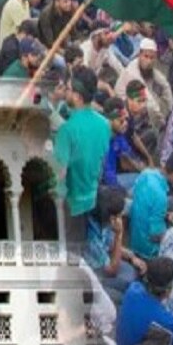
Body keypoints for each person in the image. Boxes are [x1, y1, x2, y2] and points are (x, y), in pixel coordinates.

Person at [52, 79, 110, 253]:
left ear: (77, 97)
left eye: (69, 90)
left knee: (70, 251)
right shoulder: (104, 123)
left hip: (72, 201)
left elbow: (60, 173)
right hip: (92, 194)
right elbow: (101, 161)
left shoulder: (67, 130)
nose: (66, 93)